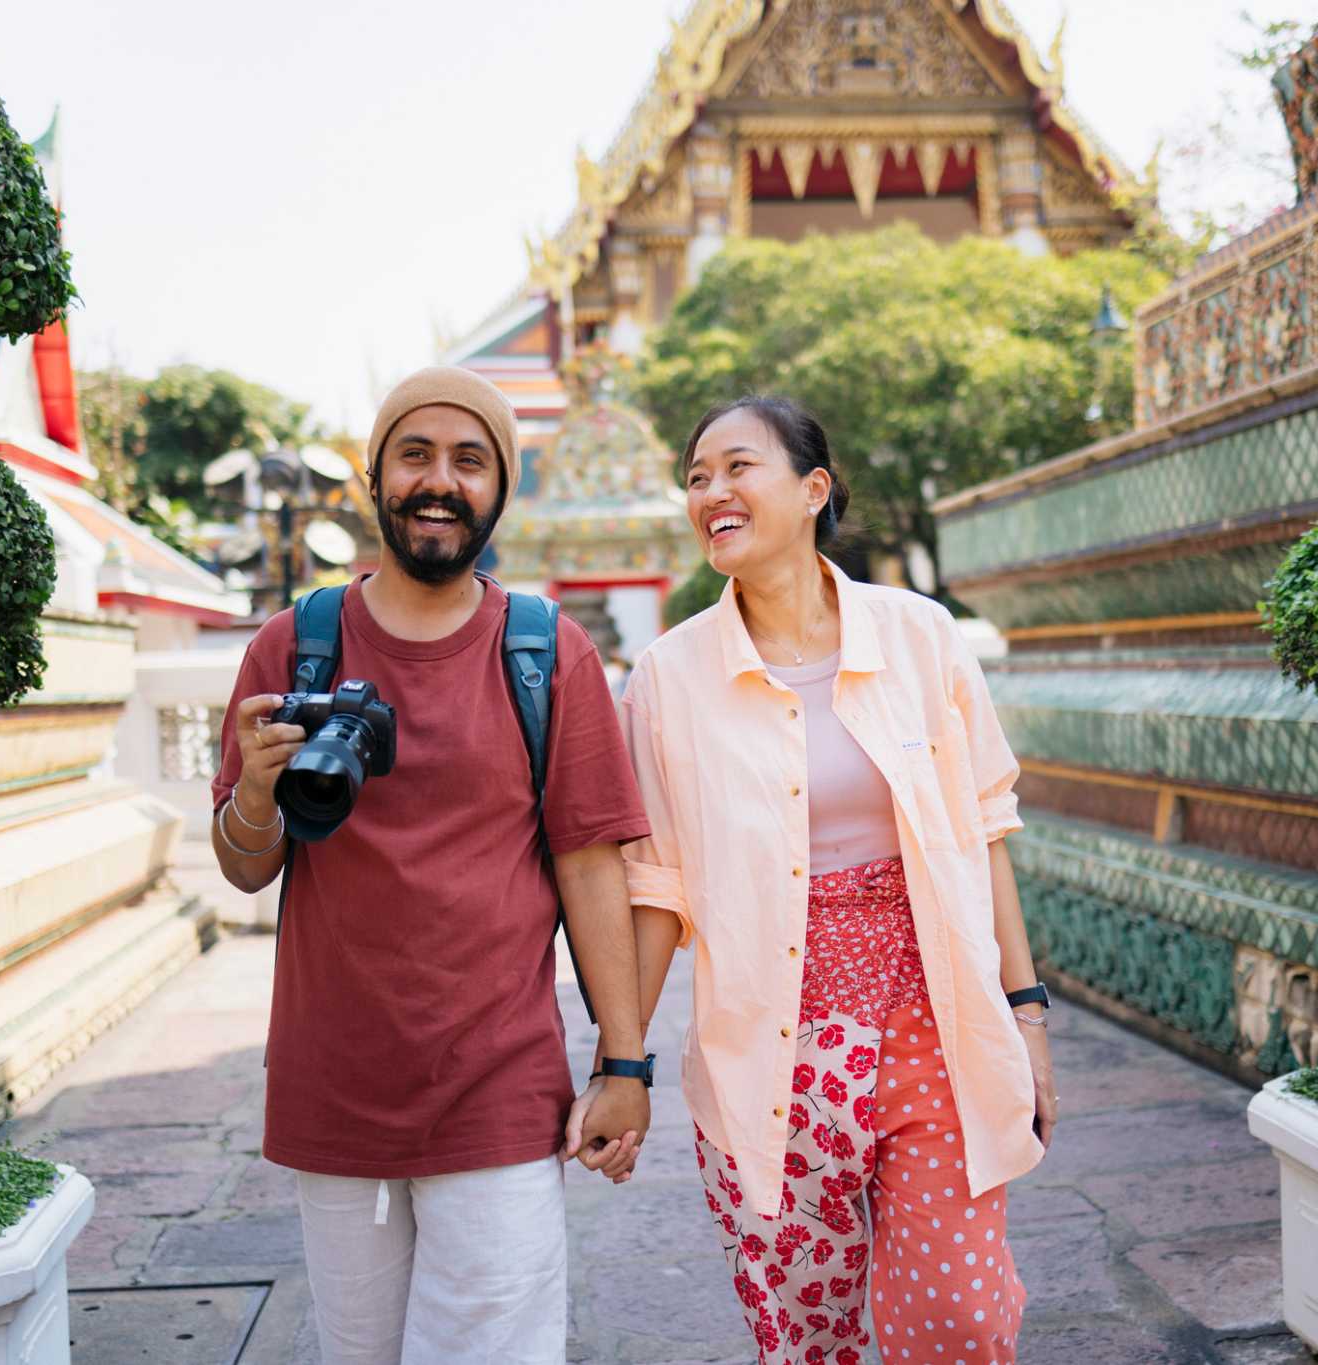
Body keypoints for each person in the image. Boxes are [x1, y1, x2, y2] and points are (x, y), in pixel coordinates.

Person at [592, 396, 1057, 1364]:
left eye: (736, 467)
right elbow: (658, 888)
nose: (710, 491)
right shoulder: (668, 680)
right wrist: (621, 1066)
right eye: (694, 476)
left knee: (958, 1327)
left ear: (812, 490)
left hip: (930, 1023)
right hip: (766, 1053)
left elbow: (984, 828)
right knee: (807, 1340)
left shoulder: (920, 637)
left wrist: (1026, 1019)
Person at [210, 366, 653, 1365]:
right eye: (414, 455)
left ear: (500, 488)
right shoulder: (294, 646)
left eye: (468, 459)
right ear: (377, 477)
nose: (438, 481)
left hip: (495, 1087)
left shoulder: (546, 653)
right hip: (333, 1086)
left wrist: (623, 1064)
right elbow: (244, 869)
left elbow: (590, 869)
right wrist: (253, 794)